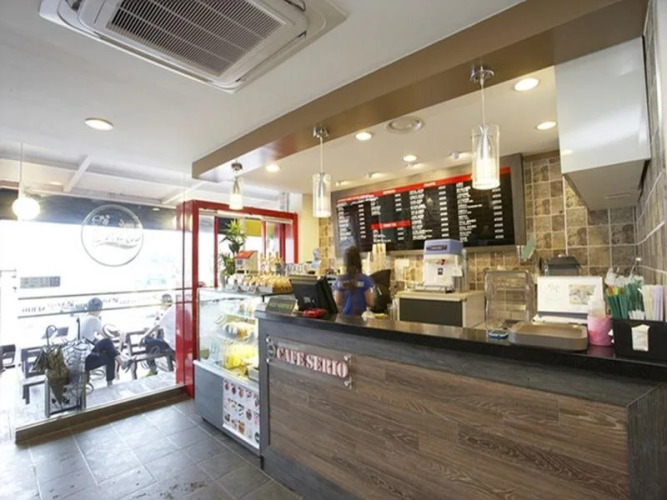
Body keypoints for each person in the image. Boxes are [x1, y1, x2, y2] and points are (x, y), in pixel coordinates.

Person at [81, 297, 126, 386]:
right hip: (85, 358)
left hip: (77, 356)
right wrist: (119, 333)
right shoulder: (94, 319)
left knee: (109, 352)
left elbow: (88, 337)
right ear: (99, 309)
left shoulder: (83, 317)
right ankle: (121, 364)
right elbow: (106, 335)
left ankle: (121, 363)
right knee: (108, 344)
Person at [140, 294, 175, 376]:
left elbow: (156, 326)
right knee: (154, 340)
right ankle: (152, 366)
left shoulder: (167, 314)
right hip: (174, 342)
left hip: (170, 345)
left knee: (147, 341)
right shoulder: (174, 309)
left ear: (164, 303)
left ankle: (152, 368)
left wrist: (143, 336)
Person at [333, 246, 374, 316]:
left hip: (345, 318)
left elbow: (338, 301)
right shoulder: (365, 280)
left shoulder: (340, 280)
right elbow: (370, 302)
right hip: (360, 318)